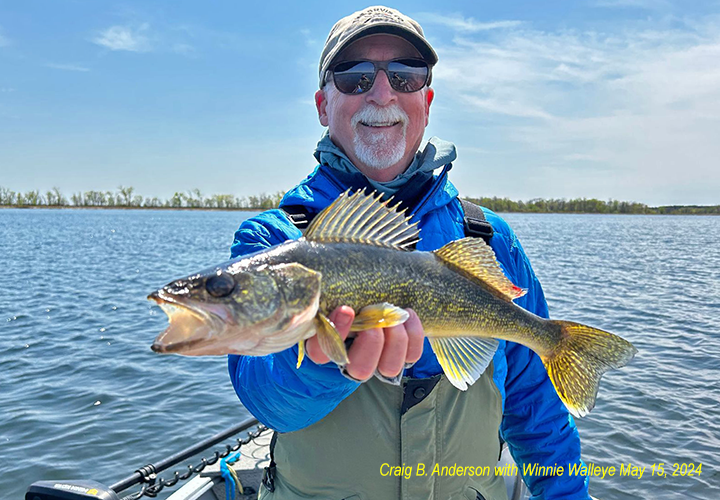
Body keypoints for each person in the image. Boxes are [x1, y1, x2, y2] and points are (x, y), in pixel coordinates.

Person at [228, 6, 591, 500]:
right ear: (321, 104)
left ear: (427, 99)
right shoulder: (276, 241)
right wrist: (328, 360)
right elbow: (267, 398)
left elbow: (536, 407)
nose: (382, 93)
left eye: (404, 75)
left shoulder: (488, 238)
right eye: (354, 77)